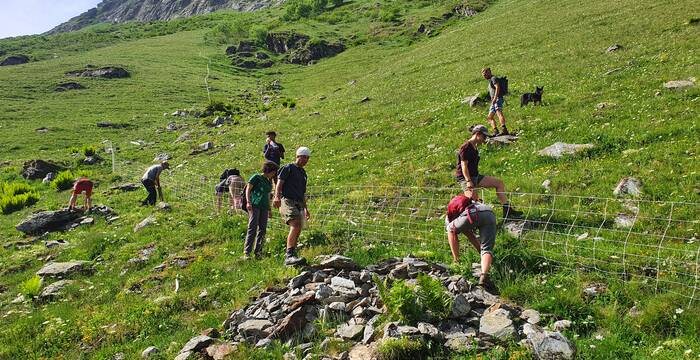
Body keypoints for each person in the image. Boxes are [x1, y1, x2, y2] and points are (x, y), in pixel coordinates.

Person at [456, 125, 523, 218]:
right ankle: (468, 223)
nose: (485, 139)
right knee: (471, 201)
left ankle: (508, 211)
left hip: (475, 176)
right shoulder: (466, 147)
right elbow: (464, 165)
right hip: (466, 178)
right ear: (477, 134)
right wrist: (468, 181)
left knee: (499, 183)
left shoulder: (474, 146)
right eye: (484, 136)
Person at [445, 194, 498, 292]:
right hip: (489, 213)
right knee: (486, 248)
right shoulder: (471, 204)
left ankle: (456, 261)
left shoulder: (450, 217)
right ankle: (484, 276)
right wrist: (480, 251)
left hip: (471, 214)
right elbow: (471, 236)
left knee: (450, 229)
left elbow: (452, 230)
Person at [273, 147, 311, 266]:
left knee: (298, 227)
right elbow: (280, 183)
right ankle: (289, 256)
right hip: (287, 199)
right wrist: (277, 196)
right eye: (303, 157)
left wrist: (306, 208)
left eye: (307, 158)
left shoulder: (303, 173)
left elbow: (302, 192)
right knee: (295, 224)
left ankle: (293, 254)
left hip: (298, 202)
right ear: (297, 156)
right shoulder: (288, 167)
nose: (305, 160)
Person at [243, 161, 279, 259]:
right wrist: (248, 202)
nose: (274, 175)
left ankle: (258, 251)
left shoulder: (268, 181)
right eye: (273, 172)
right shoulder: (256, 177)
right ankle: (247, 252)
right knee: (252, 228)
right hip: (254, 205)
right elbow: (248, 189)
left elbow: (267, 196)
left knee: (262, 229)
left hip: (264, 207)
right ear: (269, 170)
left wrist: (269, 209)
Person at [482, 67, 510, 136]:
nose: (484, 76)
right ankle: (495, 130)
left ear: (489, 72)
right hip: (493, 100)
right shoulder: (490, 80)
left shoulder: (494, 78)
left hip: (497, 99)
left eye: (485, 74)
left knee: (498, 112)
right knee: (490, 117)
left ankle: (504, 129)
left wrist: (495, 98)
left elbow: (497, 87)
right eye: (483, 75)